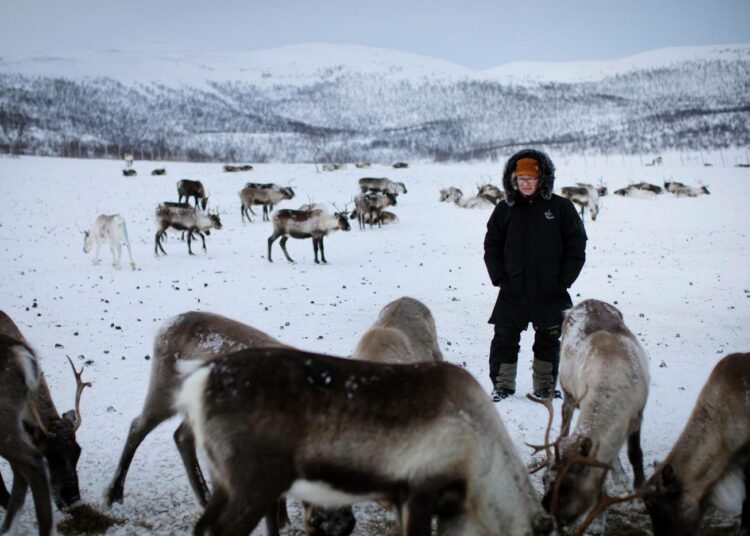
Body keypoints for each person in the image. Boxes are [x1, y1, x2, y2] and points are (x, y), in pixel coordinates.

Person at [483, 149, 587, 401]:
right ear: (513, 180)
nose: (526, 183)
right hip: (513, 288)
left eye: (531, 178)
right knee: (504, 338)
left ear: (543, 179)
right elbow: (492, 245)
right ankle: (503, 386)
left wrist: (562, 280)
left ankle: (545, 387)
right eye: (521, 178)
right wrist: (500, 277)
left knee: (549, 340)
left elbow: (577, 245)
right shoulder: (504, 209)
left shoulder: (561, 207)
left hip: (550, 289)